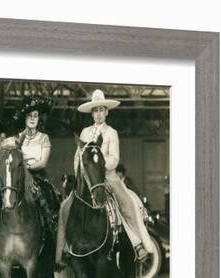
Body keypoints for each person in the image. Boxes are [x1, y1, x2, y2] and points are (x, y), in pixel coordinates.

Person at [55, 89, 154, 264]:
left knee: (124, 203)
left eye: (101, 110)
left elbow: (114, 158)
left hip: (108, 177)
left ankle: (137, 242)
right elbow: (78, 157)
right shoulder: (85, 133)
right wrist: (82, 173)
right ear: (92, 113)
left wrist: (99, 169)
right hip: (87, 179)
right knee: (65, 206)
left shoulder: (111, 133)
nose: (98, 114)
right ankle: (64, 249)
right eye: (95, 111)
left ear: (106, 112)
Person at [12, 97, 60, 237]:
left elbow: (43, 162)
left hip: (38, 176)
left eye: (35, 116)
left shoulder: (44, 138)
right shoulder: (17, 138)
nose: (33, 119)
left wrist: (27, 166)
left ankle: (50, 229)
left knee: (48, 198)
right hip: (20, 175)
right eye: (29, 116)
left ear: (39, 119)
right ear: (24, 118)